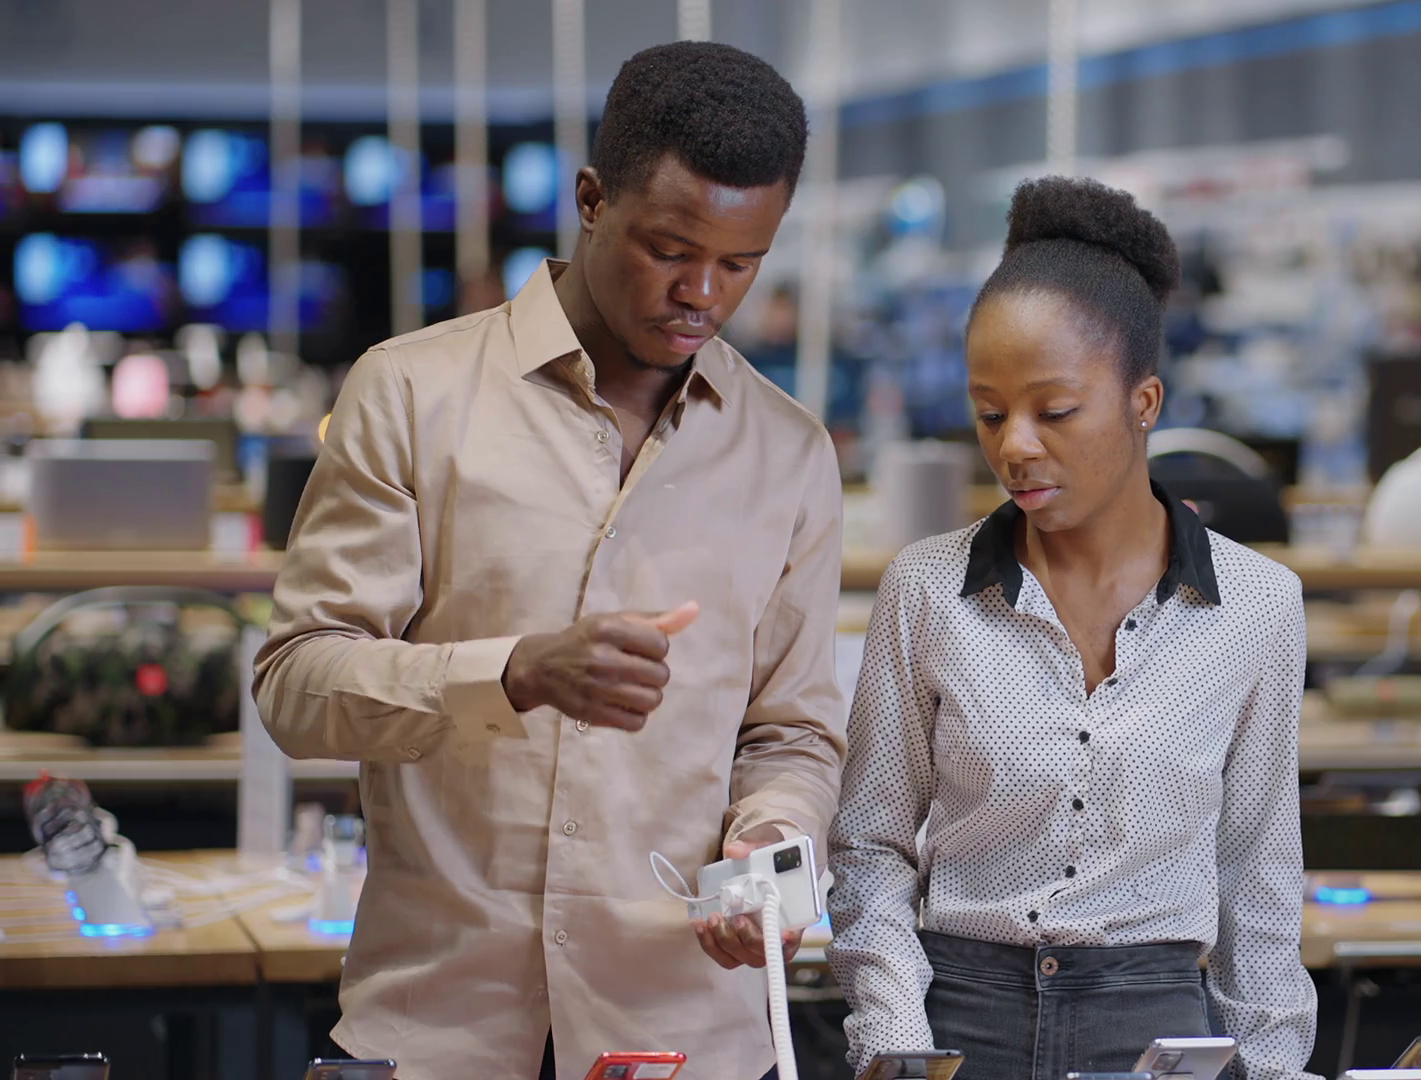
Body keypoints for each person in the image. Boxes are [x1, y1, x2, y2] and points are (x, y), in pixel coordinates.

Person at [254, 42, 844, 1080]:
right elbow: (297, 685)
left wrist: (770, 849)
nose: (701, 293)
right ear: (591, 200)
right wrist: (514, 673)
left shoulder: (789, 452)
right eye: (669, 249)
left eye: (741, 263)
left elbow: (791, 733)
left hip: (685, 1034)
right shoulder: (412, 394)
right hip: (440, 1030)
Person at [827, 177, 1319, 1080]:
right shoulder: (926, 590)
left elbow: (1257, 879)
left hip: (1159, 1026)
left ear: (1144, 401)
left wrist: (1272, 1067)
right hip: (958, 1019)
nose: (1014, 445)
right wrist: (896, 1043)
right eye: (989, 413)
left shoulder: (1258, 605)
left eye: (1053, 412)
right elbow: (870, 847)